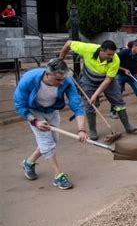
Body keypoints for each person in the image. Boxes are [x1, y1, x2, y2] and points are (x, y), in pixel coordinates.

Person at [13, 59, 87, 190]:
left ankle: (28, 163)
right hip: (34, 111)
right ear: (47, 75)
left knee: (53, 140)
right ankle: (58, 176)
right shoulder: (29, 79)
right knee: (47, 143)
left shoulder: (66, 81)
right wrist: (35, 121)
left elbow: (76, 105)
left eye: (63, 78)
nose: (62, 82)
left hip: (52, 111)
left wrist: (81, 129)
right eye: (58, 79)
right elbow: (19, 103)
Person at [58, 40, 137, 141]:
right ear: (101, 50)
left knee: (118, 101)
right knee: (90, 105)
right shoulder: (88, 49)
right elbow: (68, 44)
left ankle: (128, 126)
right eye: (109, 54)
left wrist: (96, 94)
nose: (111, 57)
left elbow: (108, 80)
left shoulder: (115, 60)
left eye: (113, 54)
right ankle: (93, 131)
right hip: (88, 79)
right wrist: (60, 60)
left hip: (107, 80)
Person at [110, 39, 137, 120]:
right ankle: (113, 111)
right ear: (134, 46)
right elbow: (113, 63)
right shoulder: (123, 53)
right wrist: (124, 69)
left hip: (132, 75)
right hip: (120, 75)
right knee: (117, 94)